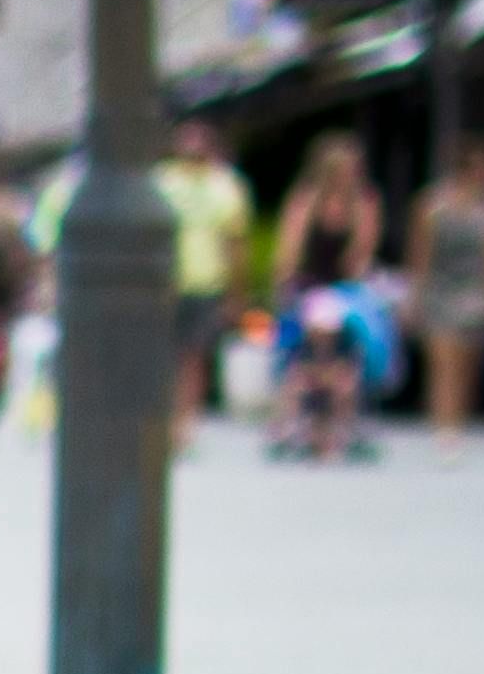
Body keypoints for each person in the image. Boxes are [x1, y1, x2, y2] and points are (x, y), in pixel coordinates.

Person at [271, 131, 387, 462]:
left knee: (354, 342)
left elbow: (359, 257)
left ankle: (346, 418)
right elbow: (290, 252)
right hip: (309, 286)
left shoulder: (364, 203)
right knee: (300, 341)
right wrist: (286, 283)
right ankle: (292, 419)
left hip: (344, 291)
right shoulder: (306, 201)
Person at [407, 139, 484, 457]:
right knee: (443, 361)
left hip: (475, 292)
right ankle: (444, 430)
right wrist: (415, 296)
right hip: (440, 288)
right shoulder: (431, 204)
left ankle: (457, 422)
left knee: (467, 363)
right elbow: (419, 254)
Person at [154, 118, 252, 437]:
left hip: (206, 282)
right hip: (164, 282)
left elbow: (235, 242)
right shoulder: (162, 182)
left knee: (194, 355)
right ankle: (161, 419)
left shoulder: (225, 186)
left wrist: (236, 294)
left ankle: (185, 423)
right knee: (162, 354)